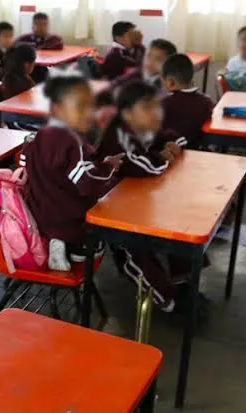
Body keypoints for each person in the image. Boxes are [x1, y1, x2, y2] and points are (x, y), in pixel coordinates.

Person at [97, 81, 208, 315]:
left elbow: (167, 136)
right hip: (110, 206)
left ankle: (181, 278)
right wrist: (163, 157)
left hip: (138, 197)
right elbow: (142, 165)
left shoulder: (143, 126)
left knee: (178, 220)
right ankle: (167, 300)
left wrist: (172, 144)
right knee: (135, 250)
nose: (154, 113)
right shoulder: (118, 134)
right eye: (147, 108)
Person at [21, 70, 122, 269]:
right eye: (80, 108)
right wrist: (110, 167)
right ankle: (76, 247)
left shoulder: (37, 136)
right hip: (71, 220)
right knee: (105, 212)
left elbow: (24, 164)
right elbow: (87, 183)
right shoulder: (72, 142)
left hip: (41, 217)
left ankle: (58, 241)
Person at [161, 54, 214, 149]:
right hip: (196, 152)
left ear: (171, 82)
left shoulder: (163, 103)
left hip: (170, 153)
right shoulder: (207, 102)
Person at [1, 43, 42, 130]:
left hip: (18, 116)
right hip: (19, 120)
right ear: (27, 65)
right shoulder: (18, 82)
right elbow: (34, 104)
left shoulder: (13, 75)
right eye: (33, 63)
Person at [16, 13, 62, 83]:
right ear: (32, 26)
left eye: (45, 24)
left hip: (47, 70)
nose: (42, 28)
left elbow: (59, 50)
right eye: (39, 25)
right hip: (29, 71)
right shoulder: (23, 39)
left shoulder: (54, 39)